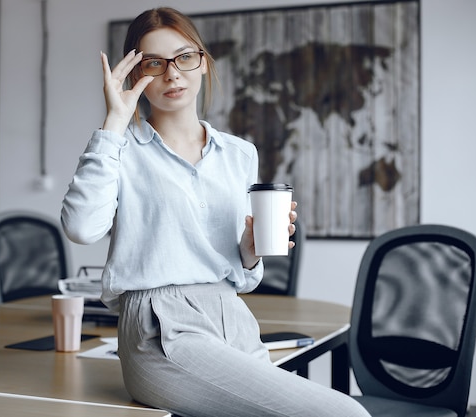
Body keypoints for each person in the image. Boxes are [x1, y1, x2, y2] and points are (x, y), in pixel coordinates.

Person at [61, 7, 371, 417]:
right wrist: (114, 122)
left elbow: (240, 272)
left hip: (232, 316)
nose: (172, 74)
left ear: (203, 62)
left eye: (184, 57)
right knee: (344, 414)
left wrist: (250, 248)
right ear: (135, 75)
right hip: (159, 326)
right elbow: (82, 227)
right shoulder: (117, 147)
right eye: (154, 63)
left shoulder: (239, 154)